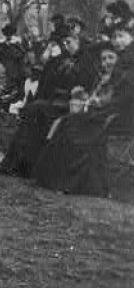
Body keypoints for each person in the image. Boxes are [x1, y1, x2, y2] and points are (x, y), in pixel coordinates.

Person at [33, 39, 133, 196]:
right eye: (104, 59)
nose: (107, 62)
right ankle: (53, 178)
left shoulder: (124, 79)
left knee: (72, 127)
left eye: (110, 58)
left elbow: (118, 103)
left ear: (118, 59)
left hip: (113, 119)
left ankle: (70, 182)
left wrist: (98, 103)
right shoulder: (106, 78)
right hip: (98, 114)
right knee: (66, 122)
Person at [0, 32, 96, 177]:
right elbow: (46, 83)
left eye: (70, 42)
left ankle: (28, 166)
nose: (66, 45)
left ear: (78, 41)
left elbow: (85, 87)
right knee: (33, 111)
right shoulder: (58, 60)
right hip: (53, 101)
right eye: (65, 43)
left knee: (37, 110)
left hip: (70, 105)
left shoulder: (87, 63)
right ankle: (19, 163)